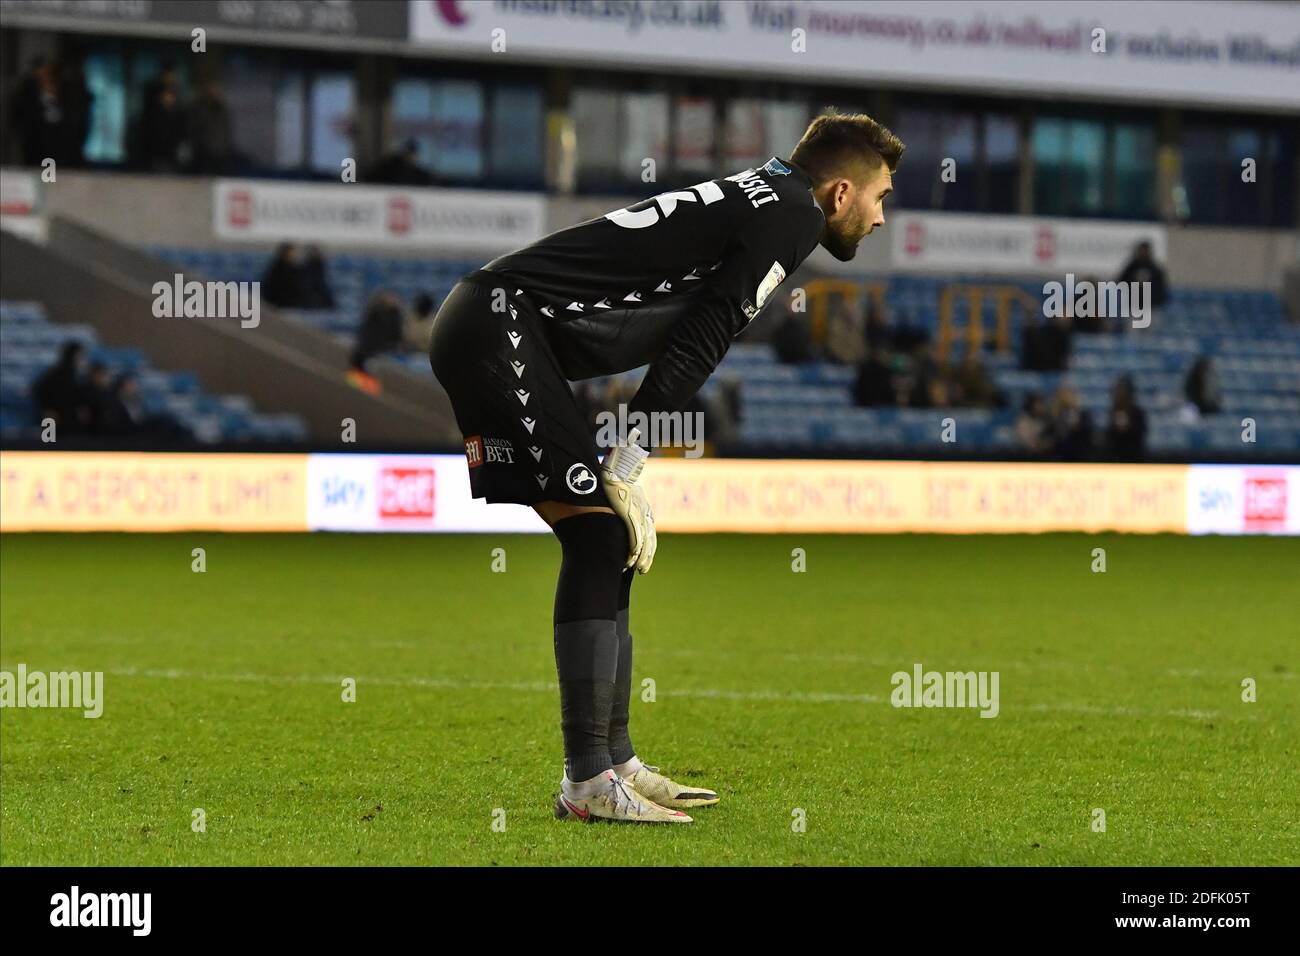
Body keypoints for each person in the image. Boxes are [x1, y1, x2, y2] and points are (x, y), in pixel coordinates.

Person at [429, 110, 903, 824]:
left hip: (496, 322)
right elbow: (702, 337)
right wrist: (628, 459)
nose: (880, 219)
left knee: (607, 541)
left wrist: (624, 459)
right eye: (880, 199)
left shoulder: (771, 193)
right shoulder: (792, 215)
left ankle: (615, 764)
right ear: (840, 194)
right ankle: (587, 783)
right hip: (499, 325)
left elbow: (686, 329)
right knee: (596, 537)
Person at [347, 291, 404, 393]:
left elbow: (396, 336)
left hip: (379, 352)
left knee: (372, 380)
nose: (392, 300)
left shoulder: (394, 316)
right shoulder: (374, 313)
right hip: (366, 352)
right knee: (358, 377)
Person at [32, 341, 87, 430]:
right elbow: (39, 390)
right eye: (80, 356)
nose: (82, 359)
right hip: (52, 418)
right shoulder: (55, 373)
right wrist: (47, 409)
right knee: (49, 440)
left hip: (69, 420)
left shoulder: (76, 376)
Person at [1106, 374, 1147, 460]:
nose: (1120, 395)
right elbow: (1109, 438)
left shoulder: (1137, 413)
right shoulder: (1113, 412)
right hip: (1115, 459)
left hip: (1134, 458)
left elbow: (1141, 435)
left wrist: (1129, 426)